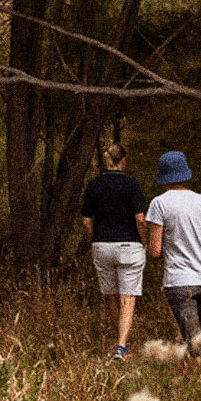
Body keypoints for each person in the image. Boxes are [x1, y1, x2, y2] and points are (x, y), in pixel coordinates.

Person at [146, 150, 201, 397]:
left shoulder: (159, 204)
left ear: (163, 177)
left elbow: (154, 251)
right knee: (189, 337)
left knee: (196, 345)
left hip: (179, 283)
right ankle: (185, 389)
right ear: (185, 174)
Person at [80, 142, 148, 361]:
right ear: (123, 160)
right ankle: (121, 346)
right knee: (128, 295)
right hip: (128, 245)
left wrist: (94, 241)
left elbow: (86, 221)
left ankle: (123, 345)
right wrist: (144, 241)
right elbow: (140, 219)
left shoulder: (93, 185)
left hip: (102, 245)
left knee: (112, 295)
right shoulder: (131, 185)